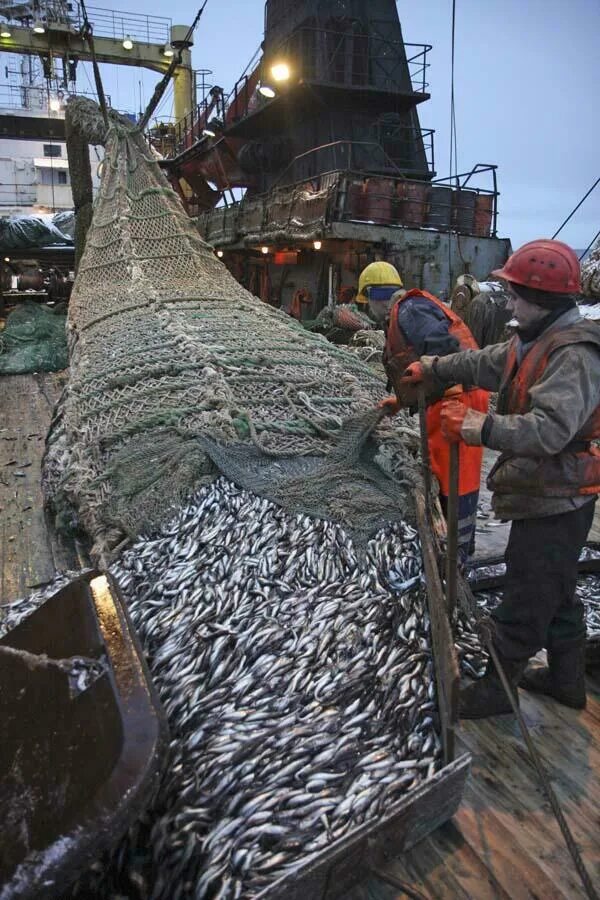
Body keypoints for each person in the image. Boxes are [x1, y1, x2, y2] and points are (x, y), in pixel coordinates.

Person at [400, 239, 600, 717]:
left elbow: (551, 430)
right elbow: (483, 362)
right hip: (544, 488)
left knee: (526, 595)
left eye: (515, 295)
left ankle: (497, 692)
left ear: (542, 299)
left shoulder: (574, 354)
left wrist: (479, 428)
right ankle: (567, 680)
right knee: (559, 588)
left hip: (561, 494)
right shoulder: (532, 338)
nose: (508, 303)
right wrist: (431, 366)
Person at [372, 263, 489, 563]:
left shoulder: (410, 310)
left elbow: (443, 349)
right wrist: (399, 402)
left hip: (459, 398)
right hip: (448, 398)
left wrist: (451, 399)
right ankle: (448, 545)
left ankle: (458, 555)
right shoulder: (408, 312)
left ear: (376, 297)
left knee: (457, 477)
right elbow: (417, 365)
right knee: (441, 472)